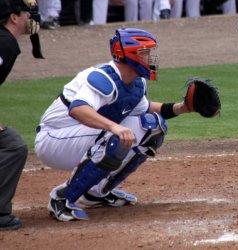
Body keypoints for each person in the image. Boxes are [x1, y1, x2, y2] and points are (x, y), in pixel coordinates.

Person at [34, 28, 196, 221]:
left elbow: (145, 109)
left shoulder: (136, 83)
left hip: (79, 136)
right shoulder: (102, 78)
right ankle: (62, 197)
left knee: (153, 127)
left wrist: (183, 108)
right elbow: (78, 109)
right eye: (145, 53)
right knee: (116, 136)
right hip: (53, 139)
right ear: (130, 55)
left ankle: (96, 192)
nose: (150, 58)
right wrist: (114, 127)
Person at [0, 0, 43, 230]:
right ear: (14, 17)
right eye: (28, 13)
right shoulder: (4, 43)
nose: (31, 18)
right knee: (12, 145)